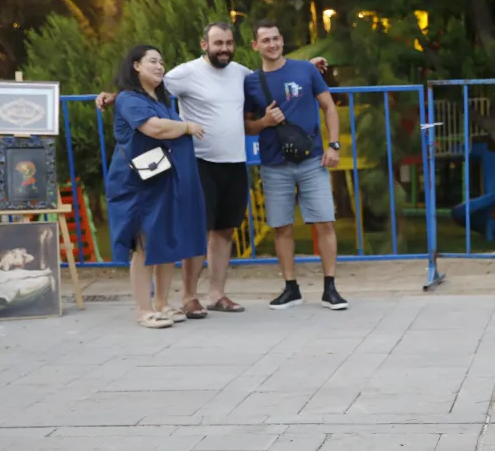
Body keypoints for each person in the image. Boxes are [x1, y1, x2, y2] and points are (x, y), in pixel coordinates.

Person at [96, 23, 327, 319]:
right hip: (200, 163)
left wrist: (306, 67)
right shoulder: (185, 72)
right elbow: (145, 85)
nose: (225, 48)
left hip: (234, 161)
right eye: (218, 43)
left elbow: (273, 72)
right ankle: (189, 297)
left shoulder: (241, 72)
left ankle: (216, 294)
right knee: (196, 230)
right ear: (204, 45)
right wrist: (114, 96)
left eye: (229, 43)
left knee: (224, 231)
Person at [243, 20, 348, 311]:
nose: (272, 44)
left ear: (282, 39)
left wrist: (334, 145)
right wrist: (264, 122)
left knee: (325, 221)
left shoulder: (306, 69)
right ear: (255, 45)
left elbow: (329, 106)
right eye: (265, 40)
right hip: (274, 163)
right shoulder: (250, 81)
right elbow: (248, 127)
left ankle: (330, 287)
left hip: (313, 159)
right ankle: (291, 288)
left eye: (276, 38)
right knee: (281, 226)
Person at [106, 45, 208, 329]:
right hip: (137, 182)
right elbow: (154, 128)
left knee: (165, 239)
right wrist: (186, 127)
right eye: (153, 61)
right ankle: (143, 309)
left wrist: (179, 126)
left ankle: (163, 303)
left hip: (163, 180)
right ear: (136, 65)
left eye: (162, 62)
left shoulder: (162, 100)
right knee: (144, 244)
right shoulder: (129, 99)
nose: (160, 67)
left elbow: (165, 124)